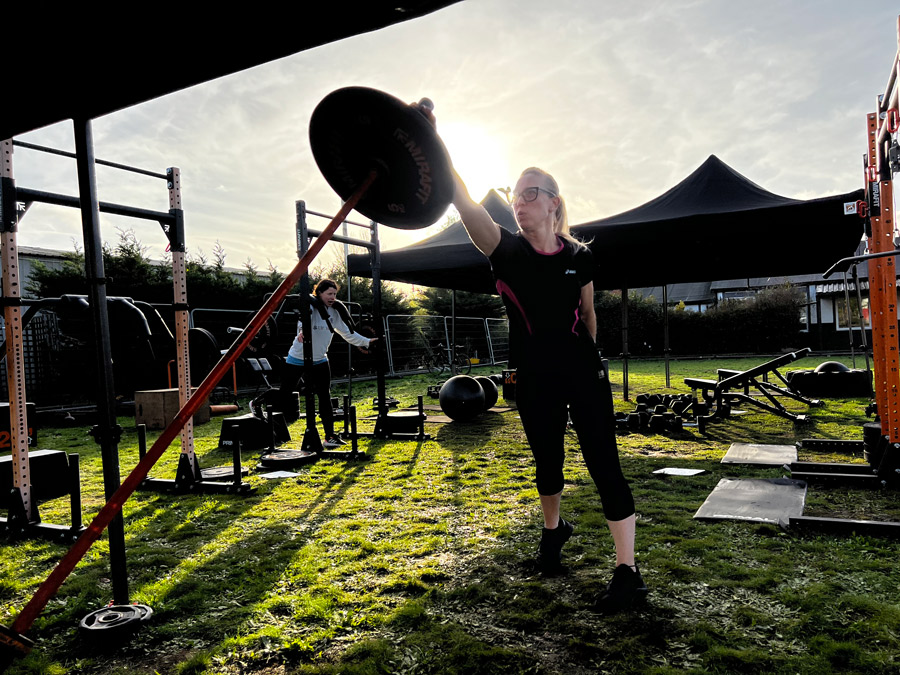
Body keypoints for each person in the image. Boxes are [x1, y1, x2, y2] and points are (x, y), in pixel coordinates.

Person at [422, 105, 646, 613]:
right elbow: (461, 199)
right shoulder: (504, 250)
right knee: (547, 462)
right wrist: (433, 143)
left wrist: (592, 361)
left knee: (604, 465)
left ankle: (627, 571)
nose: (518, 203)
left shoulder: (579, 256)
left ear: (552, 203)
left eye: (529, 194)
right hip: (535, 378)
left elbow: (589, 315)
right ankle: (553, 534)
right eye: (514, 195)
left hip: (583, 375)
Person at [279, 279, 375, 449]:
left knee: (324, 397)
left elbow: (347, 334)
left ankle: (329, 437)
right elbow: (302, 323)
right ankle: (267, 420)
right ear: (320, 293)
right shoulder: (310, 306)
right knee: (284, 394)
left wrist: (367, 341)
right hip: (297, 358)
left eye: (335, 294)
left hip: (320, 359)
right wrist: (301, 333)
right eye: (329, 294)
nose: (332, 297)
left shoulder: (335, 312)